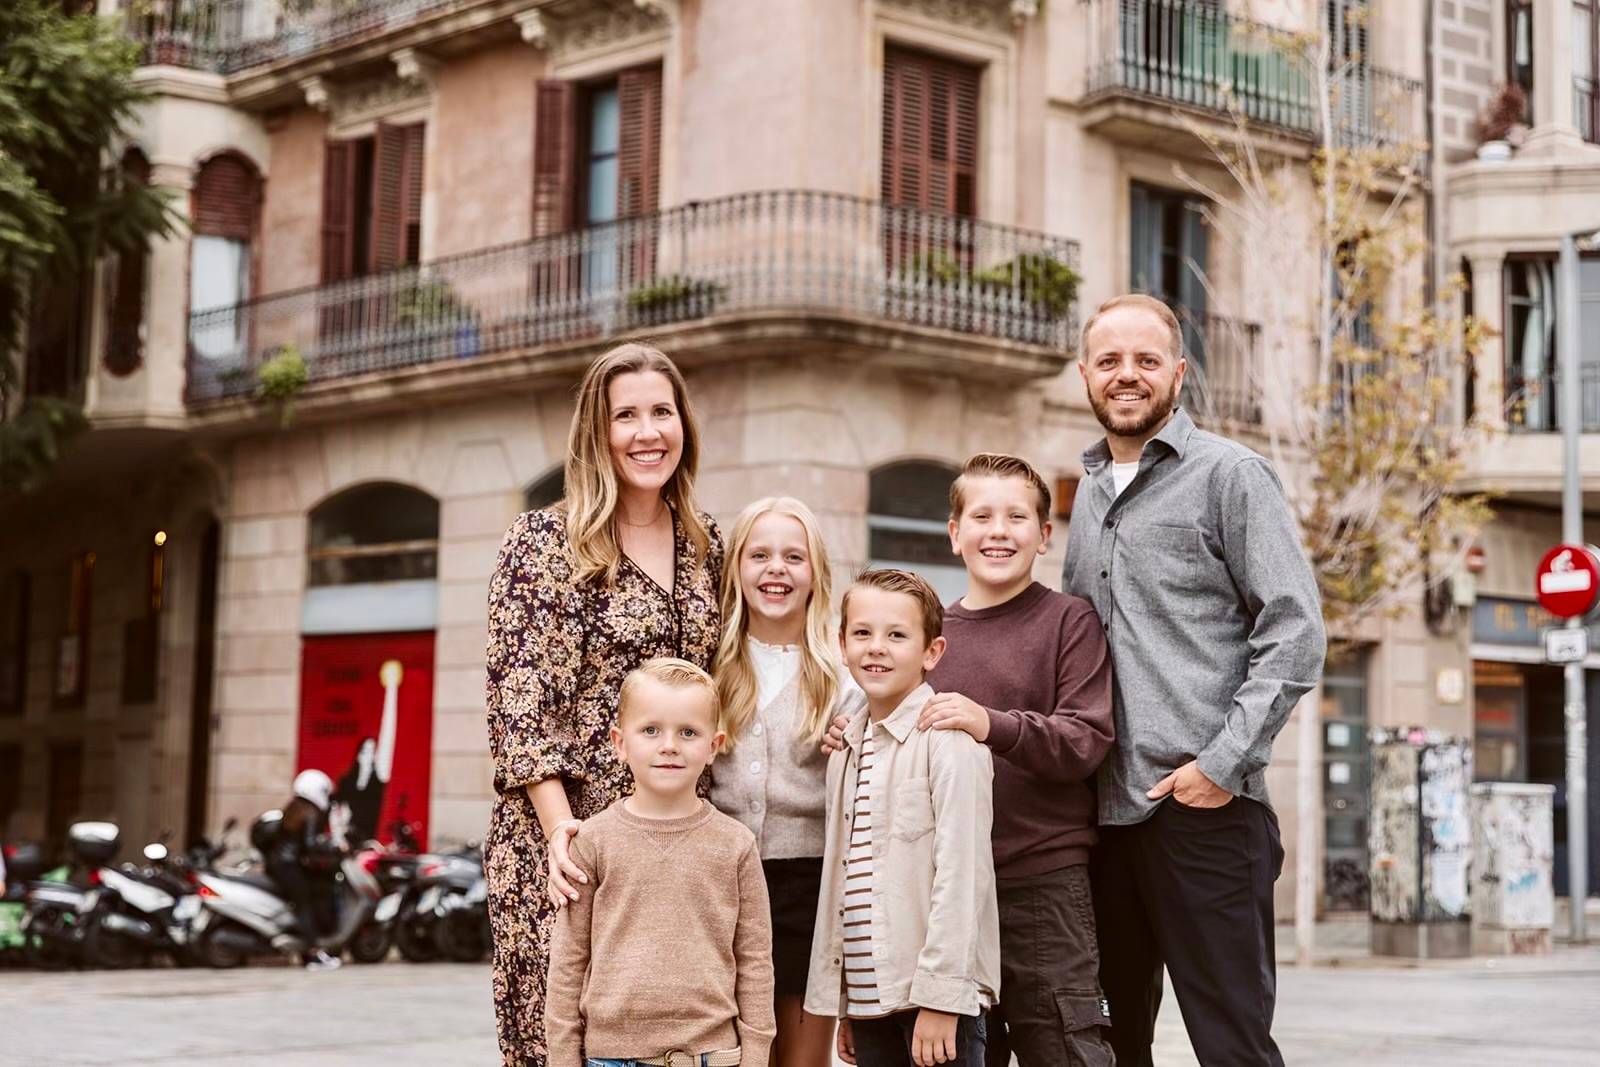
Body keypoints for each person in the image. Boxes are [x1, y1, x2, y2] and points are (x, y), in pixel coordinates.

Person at [1062, 294, 1326, 1066]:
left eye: (1146, 360)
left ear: (1179, 373)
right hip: (1105, 820)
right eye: (1109, 360)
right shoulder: (1086, 493)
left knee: (1231, 1045)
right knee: (1111, 1044)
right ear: (1085, 373)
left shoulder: (1231, 475)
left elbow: (1295, 629)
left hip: (1204, 812)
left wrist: (1219, 764)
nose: (1126, 375)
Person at [485, 342, 725, 1067]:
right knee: (565, 1041)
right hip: (566, 845)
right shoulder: (543, 542)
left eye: (662, 411)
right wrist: (566, 835)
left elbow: (735, 674)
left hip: (679, 843)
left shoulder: (705, 544)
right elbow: (520, 701)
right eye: (626, 415)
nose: (647, 431)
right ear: (597, 430)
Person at [919, 452, 1116, 1067]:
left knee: (1063, 1048)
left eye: (1016, 517)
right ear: (955, 534)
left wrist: (990, 724)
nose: (998, 531)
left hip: (1043, 886)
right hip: (946, 896)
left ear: (1044, 535)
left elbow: (1085, 739)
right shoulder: (928, 637)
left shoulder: (1069, 621)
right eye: (981, 516)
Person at [805, 569, 998, 1067]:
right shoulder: (845, 749)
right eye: (863, 633)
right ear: (841, 644)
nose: (877, 648)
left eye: (897, 635)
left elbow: (962, 878)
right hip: (871, 1002)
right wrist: (849, 1004)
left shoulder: (949, 741)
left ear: (931, 652)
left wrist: (941, 998)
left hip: (933, 1004)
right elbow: (847, 878)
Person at [546, 658, 776, 1067]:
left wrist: (756, 1055)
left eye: (688, 732)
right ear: (620, 743)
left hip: (712, 1055)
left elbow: (755, 961)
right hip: (612, 1057)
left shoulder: (737, 845)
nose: (669, 745)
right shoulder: (591, 842)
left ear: (713, 747)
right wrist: (563, 1058)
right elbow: (568, 962)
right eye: (650, 730)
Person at [709, 497, 864, 1067]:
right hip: (720, 890)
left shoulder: (842, 678)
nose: (776, 568)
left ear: (816, 574)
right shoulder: (710, 669)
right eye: (760, 555)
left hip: (809, 890)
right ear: (736, 570)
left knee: (800, 1060)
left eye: (793, 556)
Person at [265, 768, 343, 971]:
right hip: (289, 866)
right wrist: (333, 847)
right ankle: (313, 953)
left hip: (278, 865)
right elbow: (310, 843)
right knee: (305, 903)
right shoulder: (310, 813)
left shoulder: (293, 808)